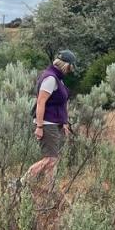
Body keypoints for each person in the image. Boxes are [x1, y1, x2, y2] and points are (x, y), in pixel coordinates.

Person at [23, 49, 77, 191]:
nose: (72, 69)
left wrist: (64, 123)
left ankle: (50, 191)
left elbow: (59, 103)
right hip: (47, 124)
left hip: (55, 123)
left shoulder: (57, 78)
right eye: (71, 66)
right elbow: (41, 103)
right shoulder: (51, 78)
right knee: (50, 159)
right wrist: (39, 127)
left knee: (53, 160)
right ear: (66, 65)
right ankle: (21, 183)